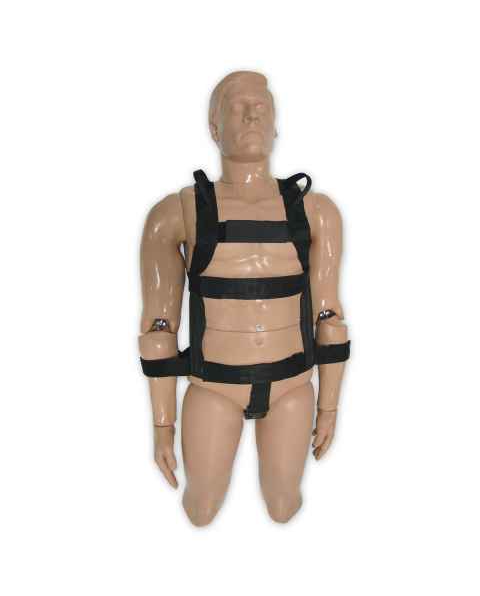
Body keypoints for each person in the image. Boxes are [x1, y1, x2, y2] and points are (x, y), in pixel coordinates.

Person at [139, 71, 349, 526]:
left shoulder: (316, 213)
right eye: (236, 107)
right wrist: (162, 424)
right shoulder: (176, 214)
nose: (251, 114)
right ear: (214, 129)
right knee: (201, 507)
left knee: (283, 505)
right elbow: (159, 329)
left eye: (261, 107)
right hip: (214, 388)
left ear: (276, 125)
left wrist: (329, 406)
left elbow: (329, 317)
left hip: (292, 387)